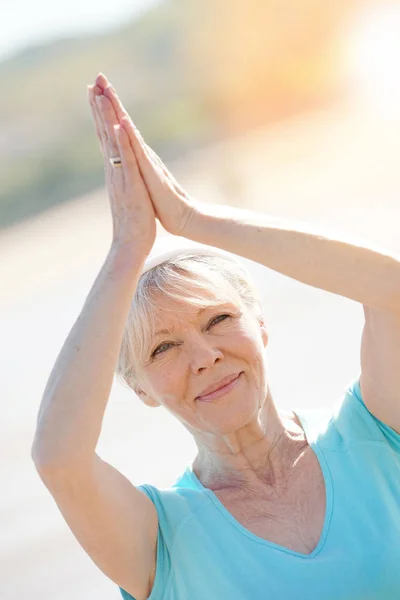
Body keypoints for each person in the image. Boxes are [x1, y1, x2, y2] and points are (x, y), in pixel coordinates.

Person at [31, 72, 400, 600]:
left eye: (218, 320)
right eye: (163, 348)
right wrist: (127, 248)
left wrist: (190, 217)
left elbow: (391, 288)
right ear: (141, 391)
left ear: (261, 326)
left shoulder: (374, 433)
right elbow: (58, 457)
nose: (204, 356)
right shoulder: (160, 542)